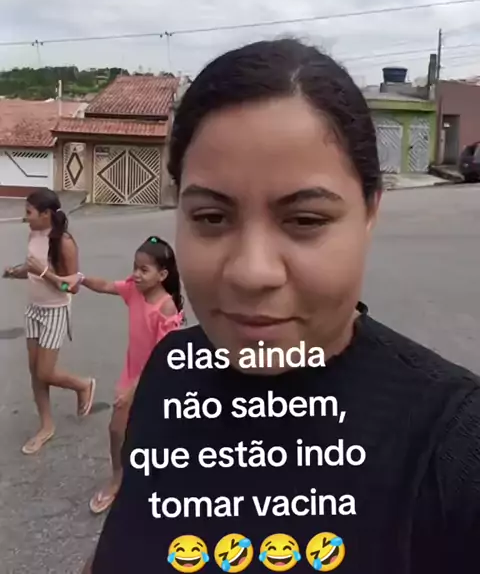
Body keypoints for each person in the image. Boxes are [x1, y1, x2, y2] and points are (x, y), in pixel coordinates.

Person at [83, 39, 480, 574]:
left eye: (305, 220)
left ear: (370, 212)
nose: (252, 272)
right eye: (211, 218)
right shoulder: (169, 372)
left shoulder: (454, 447)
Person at [65, 235, 184, 515]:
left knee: (155, 433)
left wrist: (134, 390)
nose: (136, 274)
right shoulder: (134, 291)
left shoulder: (165, 307)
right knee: (116, 430)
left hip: (155, 381)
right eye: (135, 267)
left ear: (162, 275)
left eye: (144, 269)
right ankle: (118, 477)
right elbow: (106, 285)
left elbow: (162, 358)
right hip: (131, 377)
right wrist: (81, 278)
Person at [3, 188, 95, 455]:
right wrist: (16, 272)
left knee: (45, 372)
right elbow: (32, 269)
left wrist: (43, 272)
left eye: (29, 212)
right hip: (33, 309)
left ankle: (83, 384)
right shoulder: (34, 233)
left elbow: (72, 287)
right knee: (35, 372)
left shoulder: (64, 242)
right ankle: (46, 426)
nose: (25, 217)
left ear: (46, 214)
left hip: (55, 311)